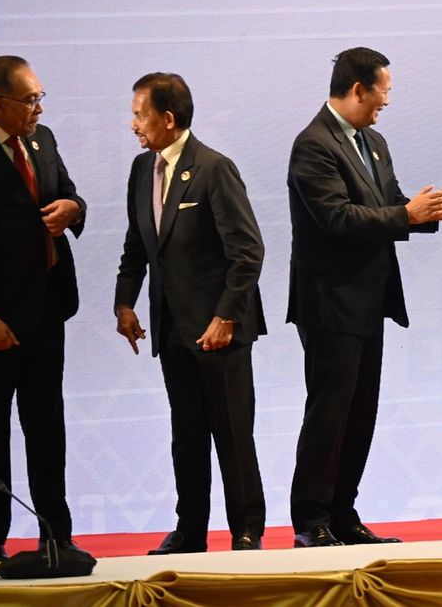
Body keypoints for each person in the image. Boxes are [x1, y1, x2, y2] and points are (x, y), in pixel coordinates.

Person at [287, 47, 442, 547]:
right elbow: (338, 218)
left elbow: (389, 204)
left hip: (368, 299)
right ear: (359, 89)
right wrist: (407, 214)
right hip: (329, 302)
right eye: (382, 93)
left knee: (361, 411)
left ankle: (343, 514)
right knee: (330, 412)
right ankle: (311, 520)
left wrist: (430, 211)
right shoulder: (313, 145)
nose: (386, 103)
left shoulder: (374, 141)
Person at [114, 72, 267, 553]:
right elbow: (137, 246)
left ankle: (246, 530)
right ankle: (190, 530)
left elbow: (248, 252)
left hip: (219, 331)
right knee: (187, 436)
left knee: (233, 437)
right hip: (172, 329)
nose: (133, 123)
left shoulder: (214, 168)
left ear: (168, 118)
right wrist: (123, 302)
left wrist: (226, 317)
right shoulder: (143, 170)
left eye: (140, 114)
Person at [0, 56, 86, 560]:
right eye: (29, 99)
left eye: (40, 97)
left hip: (47, 310)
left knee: (47, 426)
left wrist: (75, 209)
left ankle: (58, 535)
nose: (38, 107)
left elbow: (68, 194)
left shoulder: (43, 139)